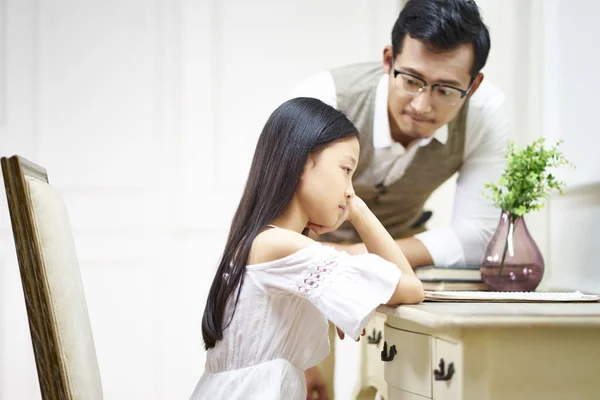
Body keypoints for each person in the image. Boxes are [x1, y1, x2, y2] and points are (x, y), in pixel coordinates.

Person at [292, 0, 510, 397]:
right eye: (411, 79)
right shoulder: (323, 97)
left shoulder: (486, 113)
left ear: (473, 85)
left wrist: (360, 258)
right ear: (389, 59)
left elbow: (477, 235)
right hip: (305, 255)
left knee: (394, 382)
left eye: (445, 89)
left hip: (400, 256)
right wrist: (299, 356)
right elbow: (274, 215)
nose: (422, 105)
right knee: (305, 387)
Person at [188, 97, 424, 400]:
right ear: (301, 163)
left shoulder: (266, 241)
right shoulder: (281, 246)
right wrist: (360, 213)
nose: (350, 191)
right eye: (345, 169)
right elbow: (411, 288)